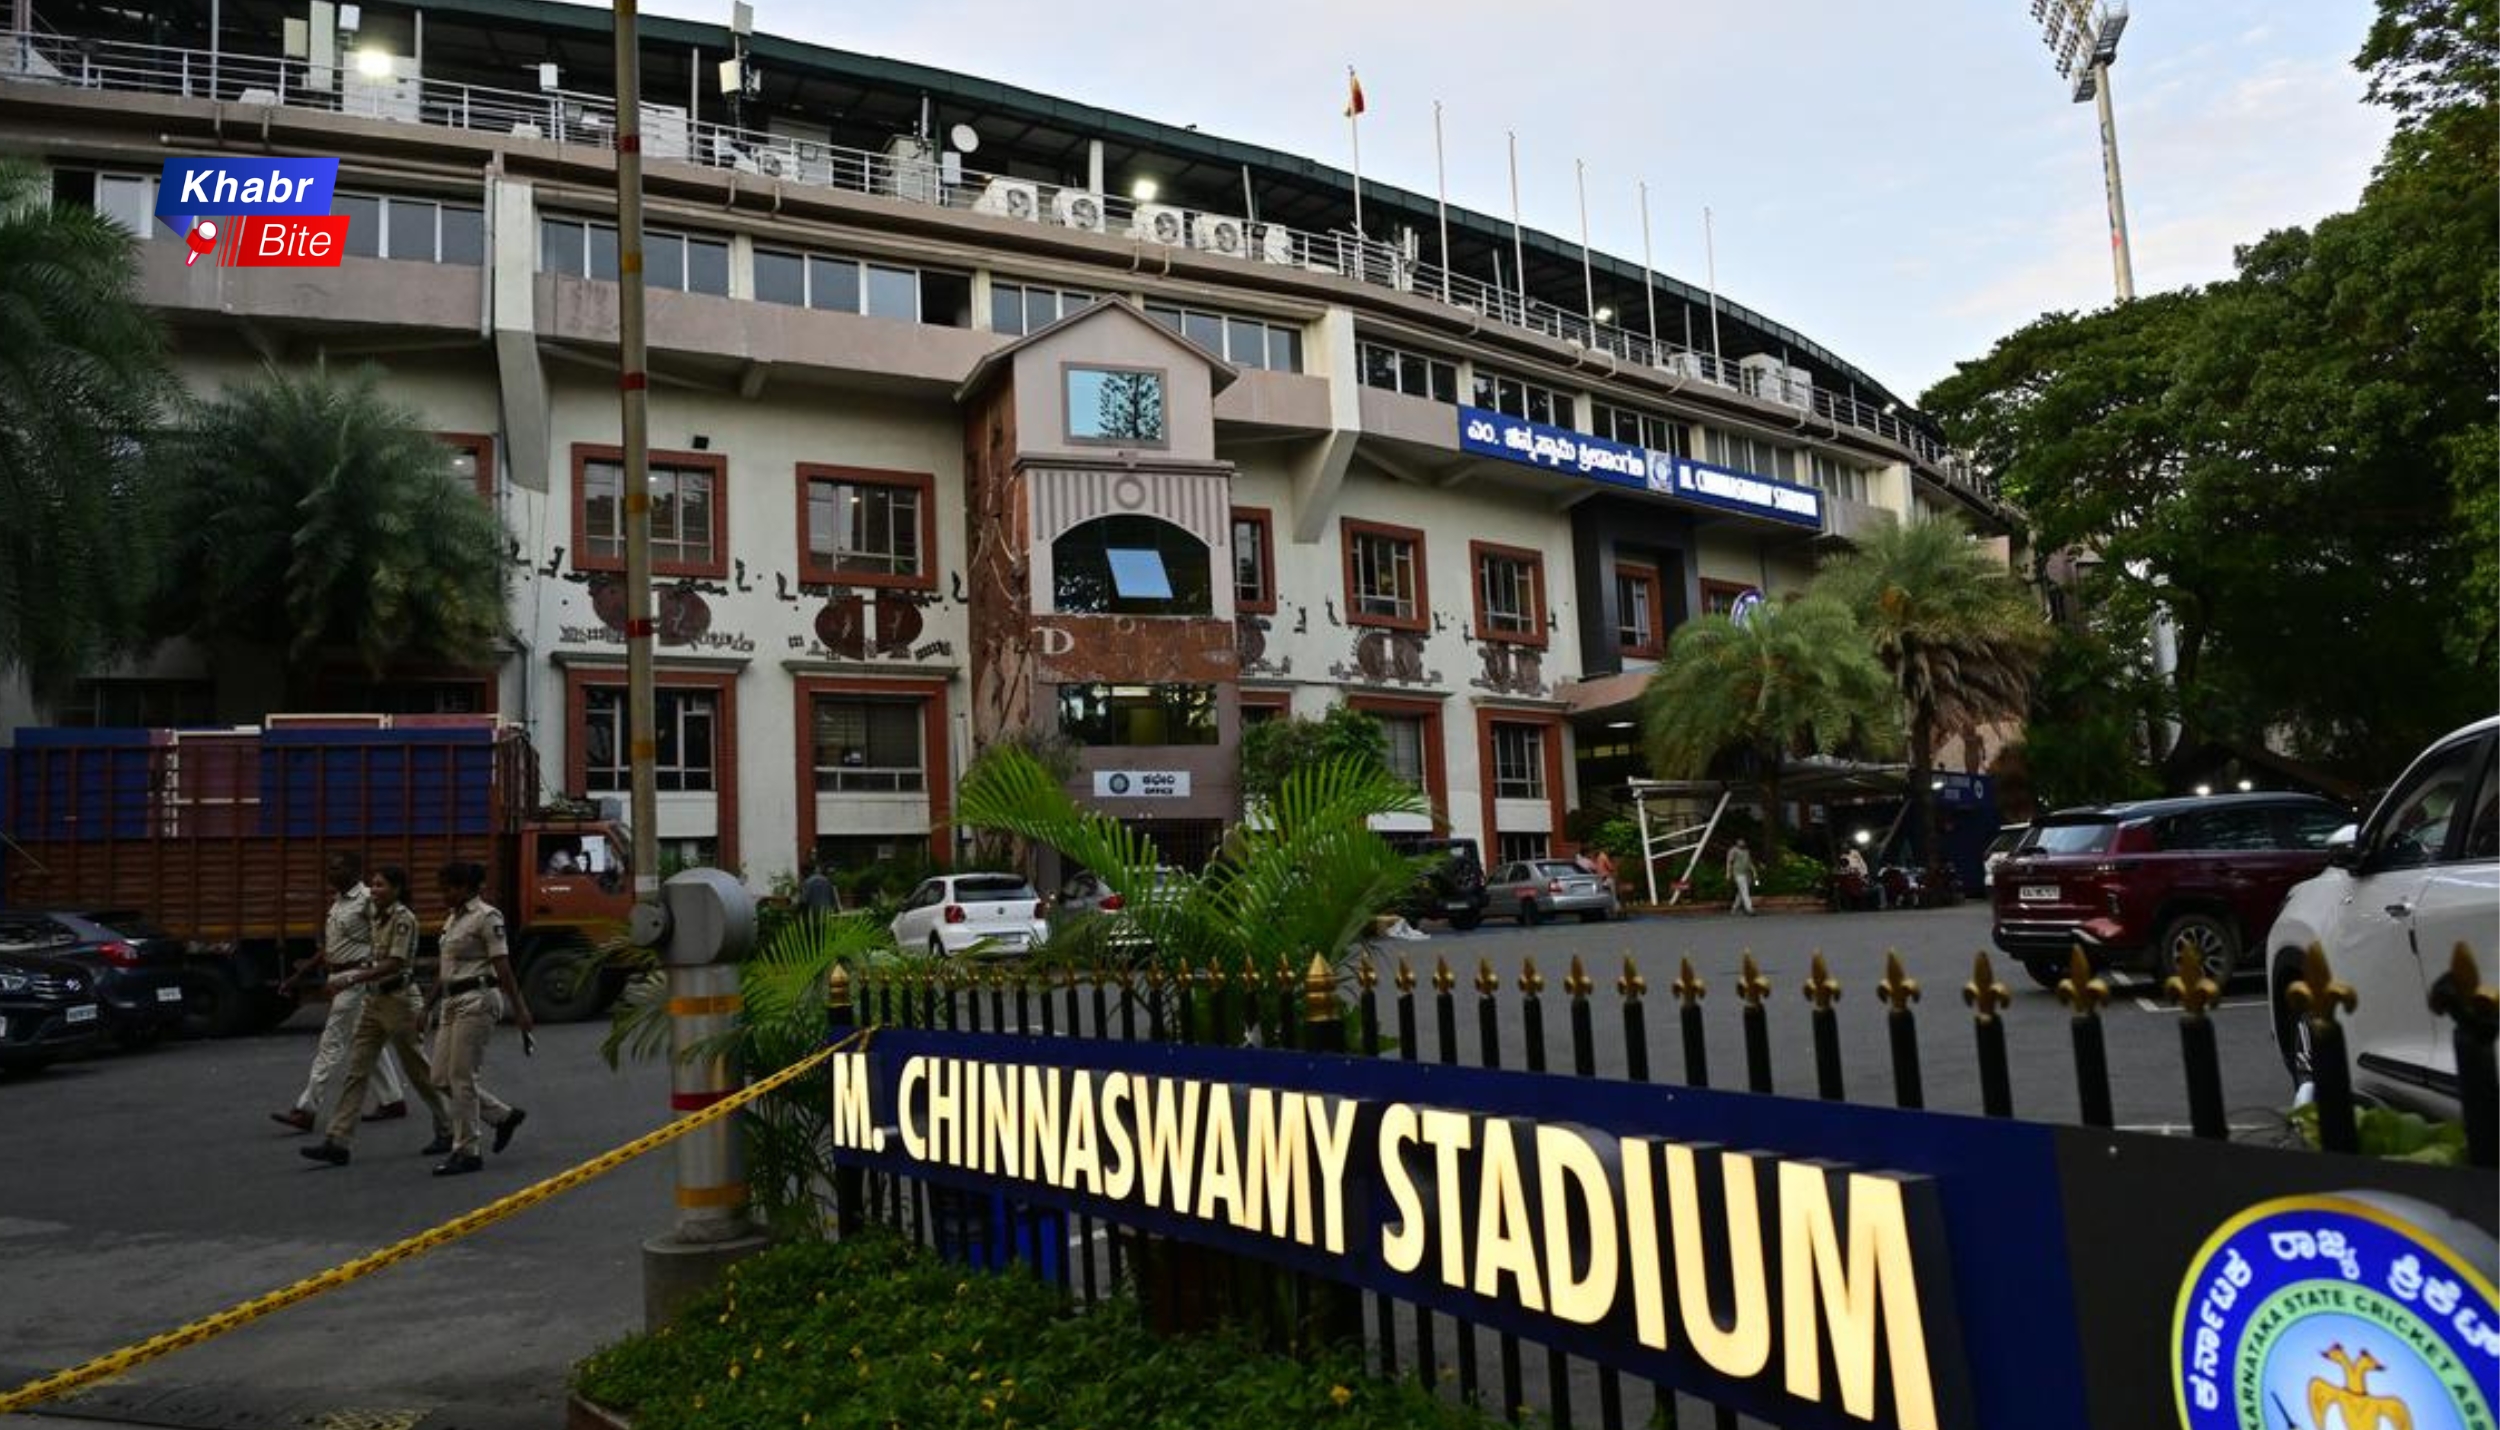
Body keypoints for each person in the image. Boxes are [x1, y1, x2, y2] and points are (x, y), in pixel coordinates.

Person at [299, 866, 453, 1167]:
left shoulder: (403, 919)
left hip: (399, 1001)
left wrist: (351, 977)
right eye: (373, 884)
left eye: (381, 885)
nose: (375, 889)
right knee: (357, 1070)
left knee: (418, 1071)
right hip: (373, 1000)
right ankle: (337, 1140)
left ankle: (449, 1126)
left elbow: (394, 963)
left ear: (397, 888)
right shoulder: (375, 917)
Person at [271, 852, 409, 1132]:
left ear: (355, 871)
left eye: (337, 867)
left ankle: (306, 1109)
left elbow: (385, 932)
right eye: (329, 866)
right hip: (340, 974)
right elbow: (330, 948)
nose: (330, 872)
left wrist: (374, 967)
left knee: (331, 1044)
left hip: (356, 978)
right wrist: (297, 977)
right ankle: (393, 1099)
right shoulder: (338, 902)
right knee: (365, 1038)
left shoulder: (368, 899)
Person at [429, 860, 532, 1176]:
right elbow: (445, 969)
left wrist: (520, 1009)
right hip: (451, 1000)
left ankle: (467, 1151)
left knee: (462, 1078)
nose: (444, 893)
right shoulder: (452, 919)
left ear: (468, 888)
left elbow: (502, 966)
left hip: (478, 999)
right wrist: (426, 1007)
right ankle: (502, 1116)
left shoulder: (487, 917)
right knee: (439, 1078)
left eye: (450, 887)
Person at [1725, 839, 1756, 917]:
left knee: (1740, 892)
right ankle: (1749, 909)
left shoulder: (1746, 851)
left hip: (1746, 874)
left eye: (1743, 841)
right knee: (1745, 891)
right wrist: (1728, 873)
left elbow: (1749, 863)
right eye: (1740, 841)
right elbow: (1729, 862)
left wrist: (1754, 872)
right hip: (1738, 873)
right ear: (1737, 842)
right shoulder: (1733, 850)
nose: (1742, 843)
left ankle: (1734, 909)